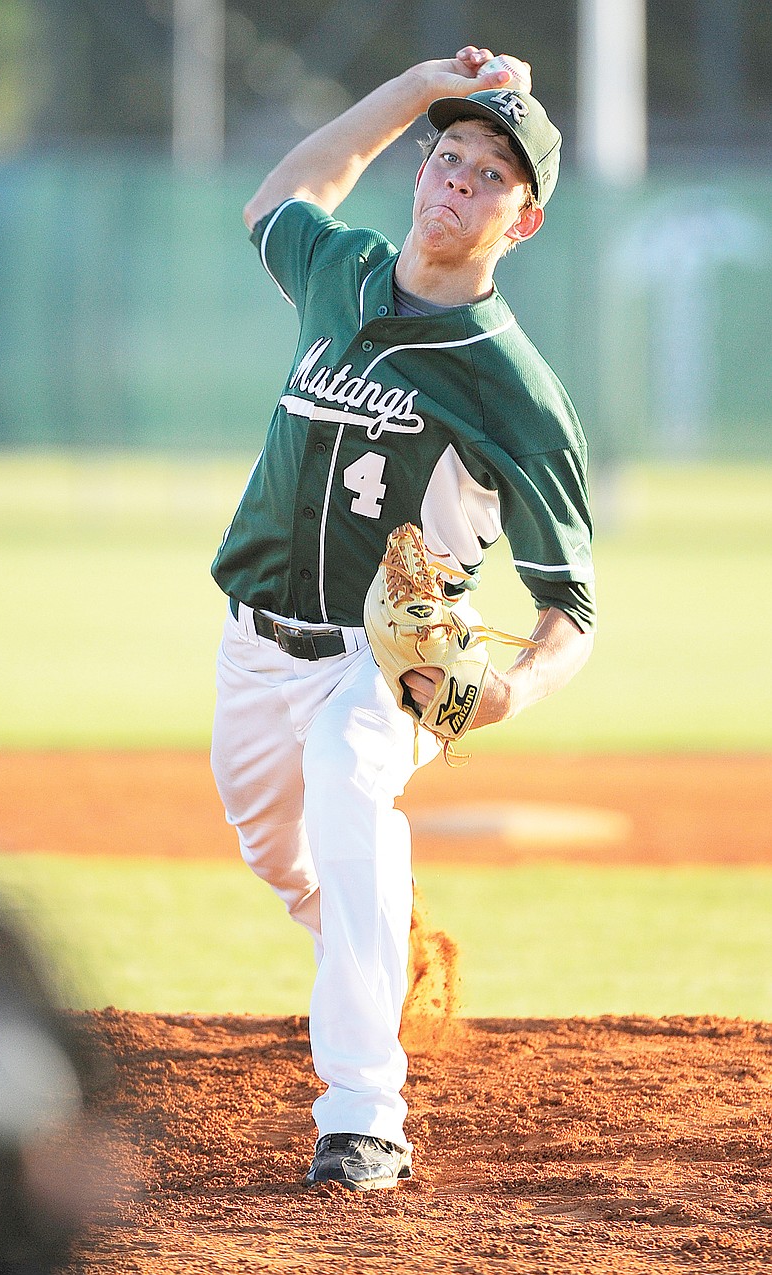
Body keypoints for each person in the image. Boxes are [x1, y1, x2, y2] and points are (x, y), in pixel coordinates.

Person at [210, 45, 596, 1191]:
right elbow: (277, 198)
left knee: (349, 777)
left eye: (489, 177)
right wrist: (420, 89)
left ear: (521, 223)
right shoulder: (344, 274)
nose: (456, 183)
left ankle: (364, 1117)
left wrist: (508, 689)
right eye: (449, 158)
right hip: (253, 642)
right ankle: (390, 942)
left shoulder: (514, 387)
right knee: (285, 864)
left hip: (386, 667)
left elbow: (570, 605)